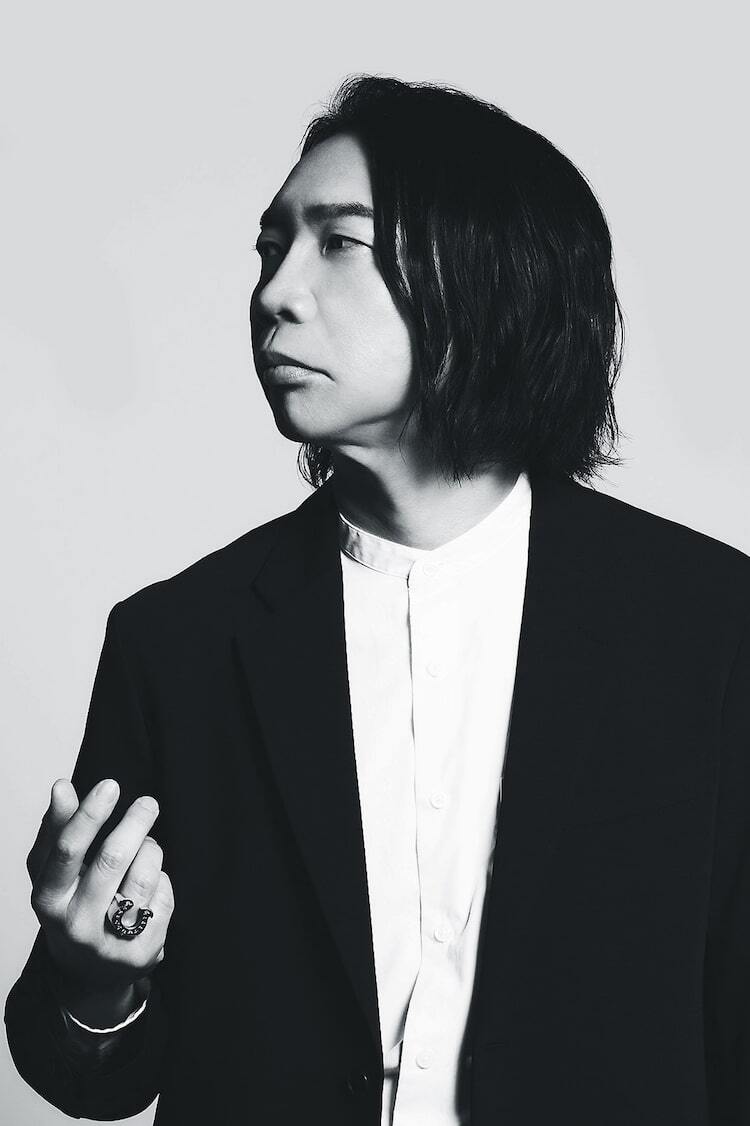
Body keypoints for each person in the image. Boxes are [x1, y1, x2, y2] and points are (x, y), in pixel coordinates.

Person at [5, 74, 750, 1126]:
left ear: (482, 273)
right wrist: (96, 981)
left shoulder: (709, 626)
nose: (276, 293)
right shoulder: (177, 642)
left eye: (338, 243)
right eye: (270, 248)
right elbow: (90, 1073)